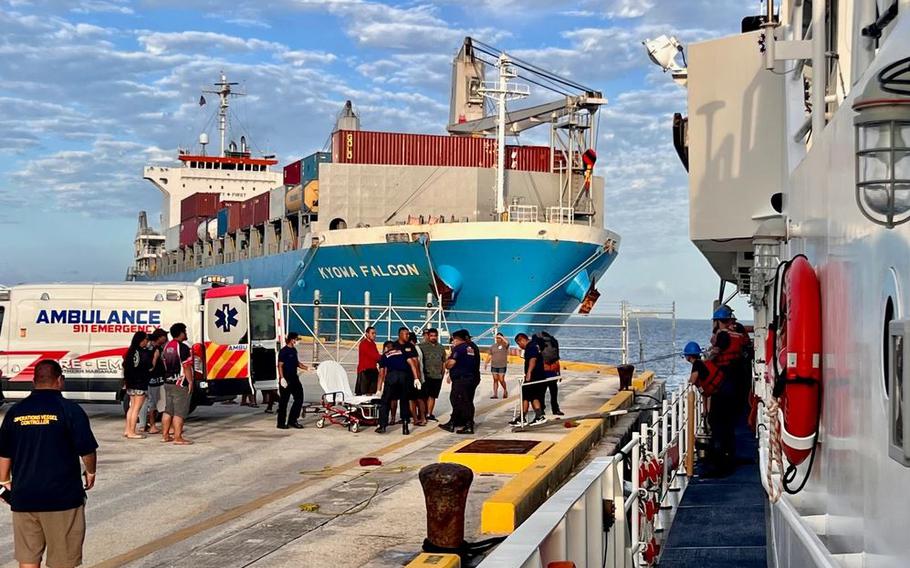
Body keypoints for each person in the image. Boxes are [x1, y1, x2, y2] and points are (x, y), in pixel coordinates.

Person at [0, 359, 98, 568]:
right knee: (62, 561)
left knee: (28, 559)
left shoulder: (15, 412)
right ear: (60, 380)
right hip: (62, 498)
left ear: (34, 381)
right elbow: (87, 450)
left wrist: (4, 481)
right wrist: (90, 472)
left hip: (25, 496)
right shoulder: (70, 410)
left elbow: (4, 453)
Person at [684, 340, 735, 476]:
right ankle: (724, 454)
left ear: (689, 356)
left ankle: (719, 460)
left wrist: (688, 385)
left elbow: (693, 380)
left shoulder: (697, 365)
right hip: (724, 391)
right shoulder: (704, 364)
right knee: (721, 424)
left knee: (717, 424)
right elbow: (707, 392)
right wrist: (706, 410)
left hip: (722, 394)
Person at [375, 327, 420, 435]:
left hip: (392, 377)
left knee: (385, 401)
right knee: (404, 401)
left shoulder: (385, 355)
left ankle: (382, 426)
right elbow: (412, 363)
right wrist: (416, 378)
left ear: (387, 348)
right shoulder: (403, 352)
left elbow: (381, 373)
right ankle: (405, 427)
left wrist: (379, 389)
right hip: (404, 377)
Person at [161, 322, 194, 445]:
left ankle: (165, 435)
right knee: (179, 412)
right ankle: (177, 437)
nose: (186, 334)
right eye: (185, 331)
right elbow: (186, 367)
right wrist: (190, 382)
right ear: (180, 333)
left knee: (168, 410)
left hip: (167, 382)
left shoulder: (166, 346)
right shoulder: (183, 348)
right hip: (180, 383)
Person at [440, 329, 479, 434]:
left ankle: (464, 424)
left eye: (453, 340)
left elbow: (451, 363)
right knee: (466, 401)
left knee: (458, 400)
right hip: (470, 377)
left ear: (456, 339)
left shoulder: (459, 348)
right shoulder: (471, 348)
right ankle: (455, 421)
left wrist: (446, 363)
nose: (452, 342)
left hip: (461, 379)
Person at [510, 333, 546, 426]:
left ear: (522, 340)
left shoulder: (531, 347)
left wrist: (529, 373)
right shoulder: (534, 345)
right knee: (533, 396)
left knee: (526, 396)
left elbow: (532, 360)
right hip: (538, 375)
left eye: (519, 344)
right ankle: (537, 416)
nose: (520, 346)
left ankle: (524, 417)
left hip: (534, 375)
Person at [122, 331, 151, 440]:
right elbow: (149, 366)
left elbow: (124, 365)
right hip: (140, 383)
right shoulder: (143, 352)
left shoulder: (130, 351)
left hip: (130, 383)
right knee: (136, 408)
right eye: (146, 340)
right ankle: (132, 432)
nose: (147, 342)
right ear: (142, 340)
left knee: (131, 407)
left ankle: (127, 429)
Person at [277, 332, 309, 429]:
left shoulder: (294, 350)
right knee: (284, 402)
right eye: (296, 339)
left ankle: (292, 420)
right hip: (286, 379)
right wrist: (282, 378)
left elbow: (297, 363)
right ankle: (281, 423)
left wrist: (307, 368)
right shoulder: (284, 351)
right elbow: (280, 365)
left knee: (299, 398)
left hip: (294, 378)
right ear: (292, 339)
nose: (297, 341)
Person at [418, 328, 446, 421]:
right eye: (431, 336)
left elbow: (443, 361)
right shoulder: (421, 347)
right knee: (423, 396)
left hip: (437, 376)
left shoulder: (441, 348)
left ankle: (429, 414)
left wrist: (442, 373)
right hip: (425, 376)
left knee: (433, 396)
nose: (433, 337)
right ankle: (422, 413)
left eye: (435, 336)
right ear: (428, 336)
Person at [145, 328, 168, 434]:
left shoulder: (155, 346)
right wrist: (155, 358)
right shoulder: (153, 348)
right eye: (164, 336)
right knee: (153, 404)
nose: (166, 338)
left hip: (158, 379)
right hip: (154, 380)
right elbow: (151, 366)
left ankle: (153, 425)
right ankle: (152, 425)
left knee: (159, 403)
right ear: (159, 337)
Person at [535, 331, 563, 416]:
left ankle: (542, 409)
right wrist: (559, 373)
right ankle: (555, 409)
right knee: (553, 392)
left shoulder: (538, 343)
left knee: (541, 392)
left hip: (543, 370)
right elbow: (557, 359)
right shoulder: (553, 342)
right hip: (553, 370)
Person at [408, 331, 427, 426]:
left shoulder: (412, 349)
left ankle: (416, 418)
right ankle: (422, 418)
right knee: (420, 399)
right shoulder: (418, 349)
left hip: (415, 378)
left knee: (413, 399)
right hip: (419, 378)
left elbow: (416, 365)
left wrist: (417, 378)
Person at [356, 326, 381, 396]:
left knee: (371, 391)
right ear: (367, 334)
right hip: (365, 370)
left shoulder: (373, 344)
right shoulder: (364, 344)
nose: (374, 335)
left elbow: (376, 355)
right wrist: (385, 358)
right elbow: (374, 355)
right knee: (363, 392)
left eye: (375, 333)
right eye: (372, 333)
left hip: (373, 369)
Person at [486, 332, 509, 399]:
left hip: (502, 365)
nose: (498, 339)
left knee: (501, 379)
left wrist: (502, 337)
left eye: (499, 338)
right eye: (497, 338)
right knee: (495, 379)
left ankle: (505, 390)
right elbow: (490, 355)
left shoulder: (505, 345)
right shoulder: (493, 346)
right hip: (494, 365)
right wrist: (486, 363)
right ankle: (495, 394)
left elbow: (507, 342)